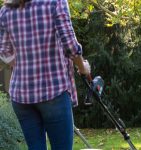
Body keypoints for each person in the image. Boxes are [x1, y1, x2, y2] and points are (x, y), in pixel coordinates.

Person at [0, 0, 90, 149]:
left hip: (21, 96)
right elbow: (70, 46)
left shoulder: (6, 10)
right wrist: (83, 67)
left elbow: (3, 52)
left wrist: (24, 62)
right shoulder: (55, 3)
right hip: (53, 92)